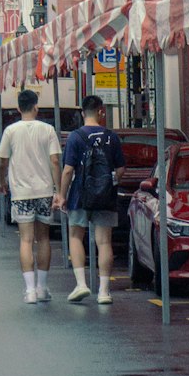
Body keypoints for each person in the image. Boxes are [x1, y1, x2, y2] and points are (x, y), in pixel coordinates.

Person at [55, 95, 125, 306]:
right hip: (106, 196)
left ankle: (81, 284)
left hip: (80, 195)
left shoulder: (75, 137)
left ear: (82, 113)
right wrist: (108, 182)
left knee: (76, 236)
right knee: (104, 241)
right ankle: (104, 291)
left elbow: (68, 170)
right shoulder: (112, 137)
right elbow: (121, 169)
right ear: (101, 112)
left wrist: (62, 195)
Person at [0, 88, 62, 304]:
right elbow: (54, 161)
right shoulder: (48, 129)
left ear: (18, 108)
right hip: (44, 191)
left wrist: (2, 181)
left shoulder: (11, 131)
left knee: (25, 239)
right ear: (36, 106)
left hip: (21, 192)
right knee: (44, 238)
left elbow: (3, 161)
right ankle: (43, 287)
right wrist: (58, 189)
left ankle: (30, 290)